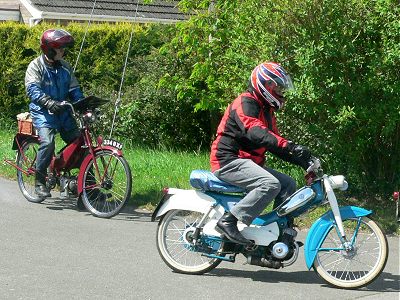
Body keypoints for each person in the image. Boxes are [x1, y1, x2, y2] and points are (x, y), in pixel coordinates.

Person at [210, 62, 313, 245]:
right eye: (278, 87)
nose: (281, 93)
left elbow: (274, 144)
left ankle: (279, 232)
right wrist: (290, 145)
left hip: (247, 163)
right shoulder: (245, 102)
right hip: (228, 160)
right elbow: (256, 132)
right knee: (270, 184)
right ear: (265, 85)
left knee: (288, 183)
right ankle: (229, 221)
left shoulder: (267, 111)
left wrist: (304, 162)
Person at [25, 29, 84, 198]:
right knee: (48, 142)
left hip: (63, 112)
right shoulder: (35, 66)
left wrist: (82, 104)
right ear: (49, 49)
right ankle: (40, 182)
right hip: (43, 112)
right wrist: (48, 102)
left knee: (81, 145)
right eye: (59, 48)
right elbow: (33, 90)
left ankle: (87, 188)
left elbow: (74, 90)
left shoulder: (65, 67)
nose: (63, 51)